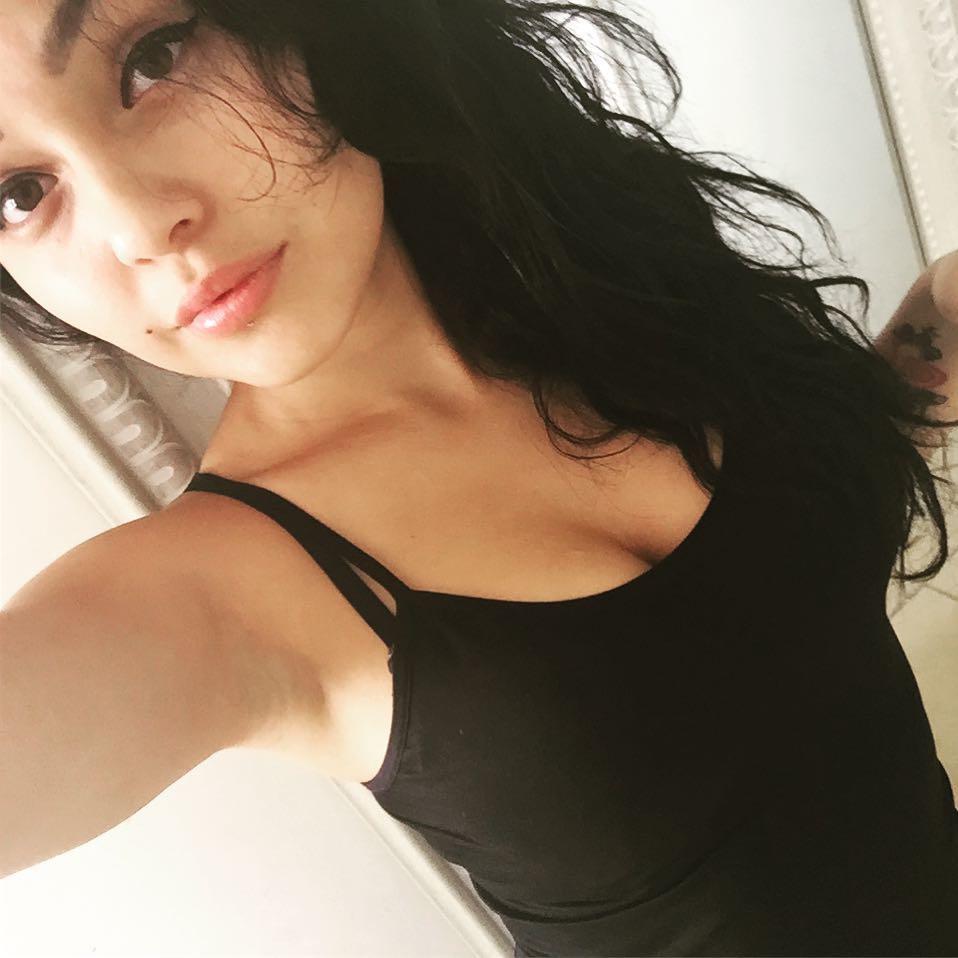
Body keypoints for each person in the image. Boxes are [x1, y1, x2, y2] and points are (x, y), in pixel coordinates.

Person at [2, 2, 957, 955]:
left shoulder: (596, 259)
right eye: (18, 193)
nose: (142, 226)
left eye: (155, 57)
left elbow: (814, 525)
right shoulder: (208, 595)